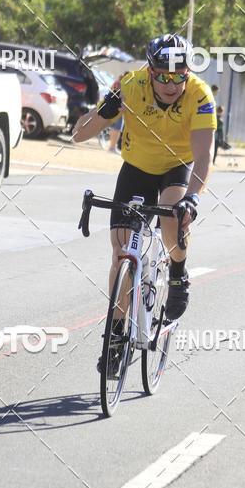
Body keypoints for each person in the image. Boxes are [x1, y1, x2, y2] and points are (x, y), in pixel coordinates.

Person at [73, 33, 216, 341]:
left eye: (178, 76)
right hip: (137, 168)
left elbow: (204, 155)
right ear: (150, 72)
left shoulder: (200, 95)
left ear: (187, 73)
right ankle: (115, 335)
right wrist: (104, 109)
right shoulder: (130, 86)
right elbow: (78, 135)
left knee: (173, 216)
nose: (170, 85)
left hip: (177, 166)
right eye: (163, 76)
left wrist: (192, 198)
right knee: (121, 254)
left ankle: (177, 274)